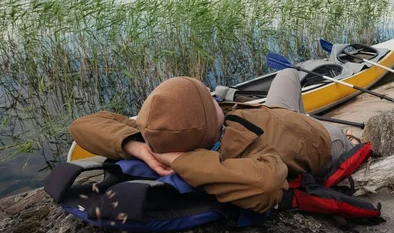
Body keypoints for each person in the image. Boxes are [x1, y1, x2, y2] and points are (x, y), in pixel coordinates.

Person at [69, 69, 356, 214]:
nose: (211, 93)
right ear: (211, 119)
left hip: (277, 110)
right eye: (208, 98)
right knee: (343, 137)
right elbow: (267, 187)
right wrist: (181, 161)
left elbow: (81, 125)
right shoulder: (244, 153)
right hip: (319, 140)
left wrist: (140, 148)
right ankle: (350, 140)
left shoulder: (158, 131)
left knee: (288, 73)